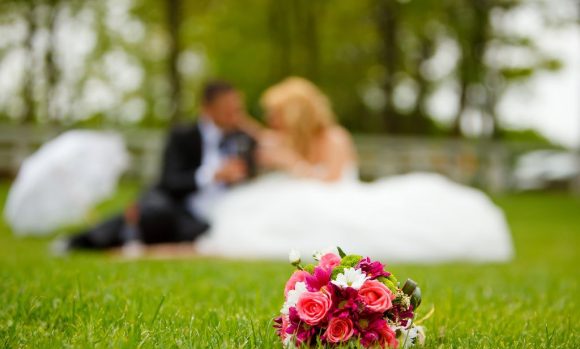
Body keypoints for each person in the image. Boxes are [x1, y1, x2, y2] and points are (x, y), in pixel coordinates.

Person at [195, 77, 514, 262]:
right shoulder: (288, 137)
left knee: (312, 207)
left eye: (276, 114)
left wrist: (291, 164)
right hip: (309, 191)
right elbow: (260, 136)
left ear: (294, 114)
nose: (272, 121)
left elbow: (332, 181)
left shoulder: (334, 137)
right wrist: (238, 120)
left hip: (341, 195)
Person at [57, 80, 255, 253]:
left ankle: (118, 238)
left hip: (210, 216)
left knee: (187, 230)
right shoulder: (182, 136)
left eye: (237, 107)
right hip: (174, 203)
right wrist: (212, 175)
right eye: (228, 107)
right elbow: (169, 181)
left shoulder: (242, 139)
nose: (234, 114)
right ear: (207, 108)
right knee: (154, 214)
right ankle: (82, 240)